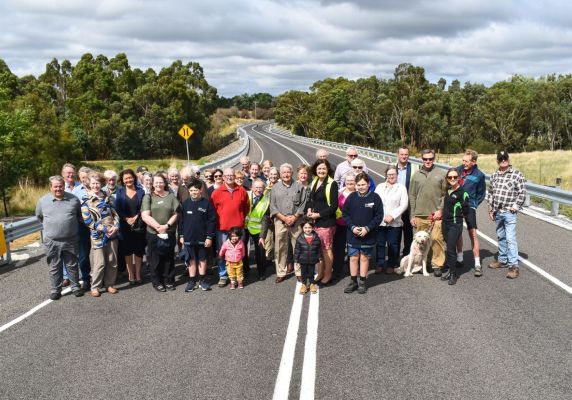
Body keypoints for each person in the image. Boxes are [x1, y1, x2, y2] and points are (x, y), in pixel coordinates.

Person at [36, 176, 85, 300]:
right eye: (55, 186)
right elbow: (39, 217)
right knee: (54, 266)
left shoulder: (73, 199)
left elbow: (79, 216)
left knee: (72, 265)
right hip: (52, 241)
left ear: (64, 186)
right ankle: (55, 290)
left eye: (60, 186)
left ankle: (75, 287)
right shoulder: (43, 201)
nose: (58, 188)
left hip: (71, 239)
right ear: (50, 187)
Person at [342, 173, 384, 294]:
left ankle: (362, 282)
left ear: (368, 184)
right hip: (353, 233)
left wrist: (367, 228)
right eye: (359, 185)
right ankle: (353, 281)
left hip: (368, 234)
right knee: (353, 258)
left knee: (364, 258)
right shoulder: (351, 197)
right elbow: (345, 214)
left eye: (363, 184)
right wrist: (352, 227)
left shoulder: (375, 198)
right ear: (355, 185)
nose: (361, 187)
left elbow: (379, 216)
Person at [486, 151, 526, 279]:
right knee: (501, 236)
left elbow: (522, 193)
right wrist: (490, 209)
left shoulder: (516, 174)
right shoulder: (494, 176)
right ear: (498, 161)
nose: (503, 160)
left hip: (509, 212)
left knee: (510, 239)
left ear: (508, 159)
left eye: (505, 158)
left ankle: (513, 266)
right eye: (501, 158)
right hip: (498, 211)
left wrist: (515, 206)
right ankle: (502, 260)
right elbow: (491, 193)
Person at [81, 172, 121, 297]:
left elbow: (115, 213)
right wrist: (104, 229)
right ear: (89, 184)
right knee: (99, 263)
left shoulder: (107, 196)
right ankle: (96, 286)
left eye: (98, 183)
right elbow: (88, 221)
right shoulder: (85, 200)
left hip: (112, 233)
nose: (96, 185)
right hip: (98, 236)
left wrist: (116, 226)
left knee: (112, 260)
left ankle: (110, 284)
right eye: (93, 183)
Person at [409, 149, 447, 276]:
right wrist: (412, 215)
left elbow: (445, 194)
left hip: (435, 215)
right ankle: (426, 263)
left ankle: (437, 265)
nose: (428, 161)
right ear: (422, 159)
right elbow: (412, 196)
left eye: (430, 159)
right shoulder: (416, 175)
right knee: (421, 242)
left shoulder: (441, 174)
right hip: (419, 215)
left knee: (436, 238)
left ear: (434, 159)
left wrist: (440, 210)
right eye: (425, 159)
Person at [210, 168, 250, 287]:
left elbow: (246, 207)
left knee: (238, 252)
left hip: (238, 228)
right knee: (223, 253)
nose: (229, 177)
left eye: (231, 175)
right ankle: (223, 275)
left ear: (234, 176)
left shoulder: (241, 190)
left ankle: (238, 275)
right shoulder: (216, 192)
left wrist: (240, 218)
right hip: (222, 229)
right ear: (223, 177)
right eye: (227, 175)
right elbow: (212, 210)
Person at [141, 173, 180, 292]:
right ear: (152, 184)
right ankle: (157, 282)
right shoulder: (148, 197)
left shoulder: (171, 196)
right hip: (153, 233)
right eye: (156, 182)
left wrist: (166, 226)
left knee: (169, 258)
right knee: (155, 259)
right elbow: (145, 215)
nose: (159, 184)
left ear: (165, 183)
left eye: (161, 182)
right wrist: (159, 227)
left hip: (170, 232)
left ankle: (169, 280)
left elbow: (176, 214)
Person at [270, 163, 308, 283]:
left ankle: (299, 271)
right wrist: (284, 218)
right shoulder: (275, 188)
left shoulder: (299, 186)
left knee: (298, 247)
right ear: (280, 174)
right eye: (283, 172)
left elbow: (303, 203)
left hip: (296, 222)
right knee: (280, 248)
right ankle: (281, 272)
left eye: (288, 172)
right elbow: (272, 206)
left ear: (292, 173)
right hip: (280, 221)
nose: (286, 174)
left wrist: (294, 217)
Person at [179, 180, 216, 292]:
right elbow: (181, 221)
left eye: (195, 190)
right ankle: (191, 281)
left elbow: (211, 221)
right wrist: (181, 235)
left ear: (200, 190)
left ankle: (202, 281)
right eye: (191, 190)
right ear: (189, 191)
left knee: (202, 259)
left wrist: (209, 237)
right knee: (191, 260)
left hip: (203, 239)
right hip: (189, 238)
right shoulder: (185, 204)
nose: (193, 192)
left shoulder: (207, 203)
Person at [306, 159, 338, 285]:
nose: (321, 171)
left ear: (328, 170)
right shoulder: (315, 181)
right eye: (319, 169)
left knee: (326, 249)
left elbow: (334, 206)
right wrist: (309, 209)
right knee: (318, 250)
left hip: (326, 222)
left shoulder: (332, 184)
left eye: (324, 169)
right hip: (315, 222)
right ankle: (320, 272)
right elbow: (311, 199)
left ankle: (328, 273)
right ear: (315, 170)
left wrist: (318, 215)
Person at [456, 149, 486, 276]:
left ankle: (477, 264)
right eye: (463, 160)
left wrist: (474, 204)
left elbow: (481, 193)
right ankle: (460, 258)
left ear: (473, 162)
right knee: (457, 232)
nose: (464, 163)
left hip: (469, 207)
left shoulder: (479, 175)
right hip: (456, 205)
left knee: (472, 233)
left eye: (467, 161)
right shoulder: (458, 170)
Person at [374, 166, 408, 275]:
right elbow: (375, 201)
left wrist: (392, 216)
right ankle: (380, 263)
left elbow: (404, 205)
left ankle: (391, 264)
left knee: (392, 244)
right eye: (389, 174)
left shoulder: (401, 188)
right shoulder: (379, 187)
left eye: (393, 174)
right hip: (380, 221)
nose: (391, 176)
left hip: (395, 222)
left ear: (397, 175)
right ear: (386, 175)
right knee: (380, 243)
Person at [115, 169, 146, 285]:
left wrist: (136, 217)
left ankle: (138, 274)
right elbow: (117, 208)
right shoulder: (120, 192)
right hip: (125, 225)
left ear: (134, 178)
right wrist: (126, 219)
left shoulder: (141, 191)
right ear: (122, 180)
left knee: (138, 250)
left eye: (130, 177)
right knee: (127, 251)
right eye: (125, 178)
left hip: (138, 225)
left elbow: (143, 207)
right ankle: (130, 274)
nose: (128, 180)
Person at [440, 168, 469, 285]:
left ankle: (453, 274)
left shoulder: (462, 193)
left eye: (455, 177)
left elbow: (466, 211)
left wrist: (459, 218)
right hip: (445, 223)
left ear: (459, 178)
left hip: (455, 224)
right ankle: (450, 271)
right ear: (447, 178)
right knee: (449, 247)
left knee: (451, 248)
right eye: (450, 177)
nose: (452, 179)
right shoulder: (447, 190)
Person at [332, 172, 356, 281]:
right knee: (339, 249)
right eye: (348, 181)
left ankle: (353, 271)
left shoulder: (358, 193)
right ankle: (337, 270)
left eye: (352, 181)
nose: (350, 182)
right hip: (340, 225)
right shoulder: (339, 193)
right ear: (344, 182)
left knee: (353, 249)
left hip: (353, 226)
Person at [71, 166, 92, 290]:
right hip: (83, 228)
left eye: (87, 177)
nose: (84, 180)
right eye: (82, 177)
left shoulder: (97, 188)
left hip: (97, 228)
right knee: (84, 255)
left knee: (98, 254)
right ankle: (86, 279)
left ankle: (102, 277)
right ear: (79, 178)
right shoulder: (76, 191)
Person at [246, 179, 271, 280]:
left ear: (264, 189)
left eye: (261, 188)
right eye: (256, 187)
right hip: (244, 226)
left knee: (260, 249)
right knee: (242, 249)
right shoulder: (246, 195)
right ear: (252, 188)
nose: (258, 190)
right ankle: (245, 269)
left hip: (258, 229)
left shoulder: (266, 201)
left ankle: (261, 272)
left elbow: (265, 219)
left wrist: (262, 236)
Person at [395, 146, 416, 257]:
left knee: (408, 232)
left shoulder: (414, 168)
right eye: (402, 154)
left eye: (406, 154)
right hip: (396, 206)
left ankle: (407, 254)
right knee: (396, 231)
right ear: (397, 155)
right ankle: (395, 256)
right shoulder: (392, 168)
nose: (404, 156)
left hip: (408, 206)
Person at [294, 218, 322, 295]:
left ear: (312, 227)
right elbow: (297, 250)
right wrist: (296, 260)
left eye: (309, 227)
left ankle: (312, 284)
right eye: (305, 227)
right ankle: (304, 285)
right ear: (302, 228)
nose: (307, 229)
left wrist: (320, 257)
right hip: (302, 260)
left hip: (312, 259)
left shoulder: (316, 238)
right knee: (303, 273)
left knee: (311, 272)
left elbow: (319, 249)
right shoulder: (300, 238)